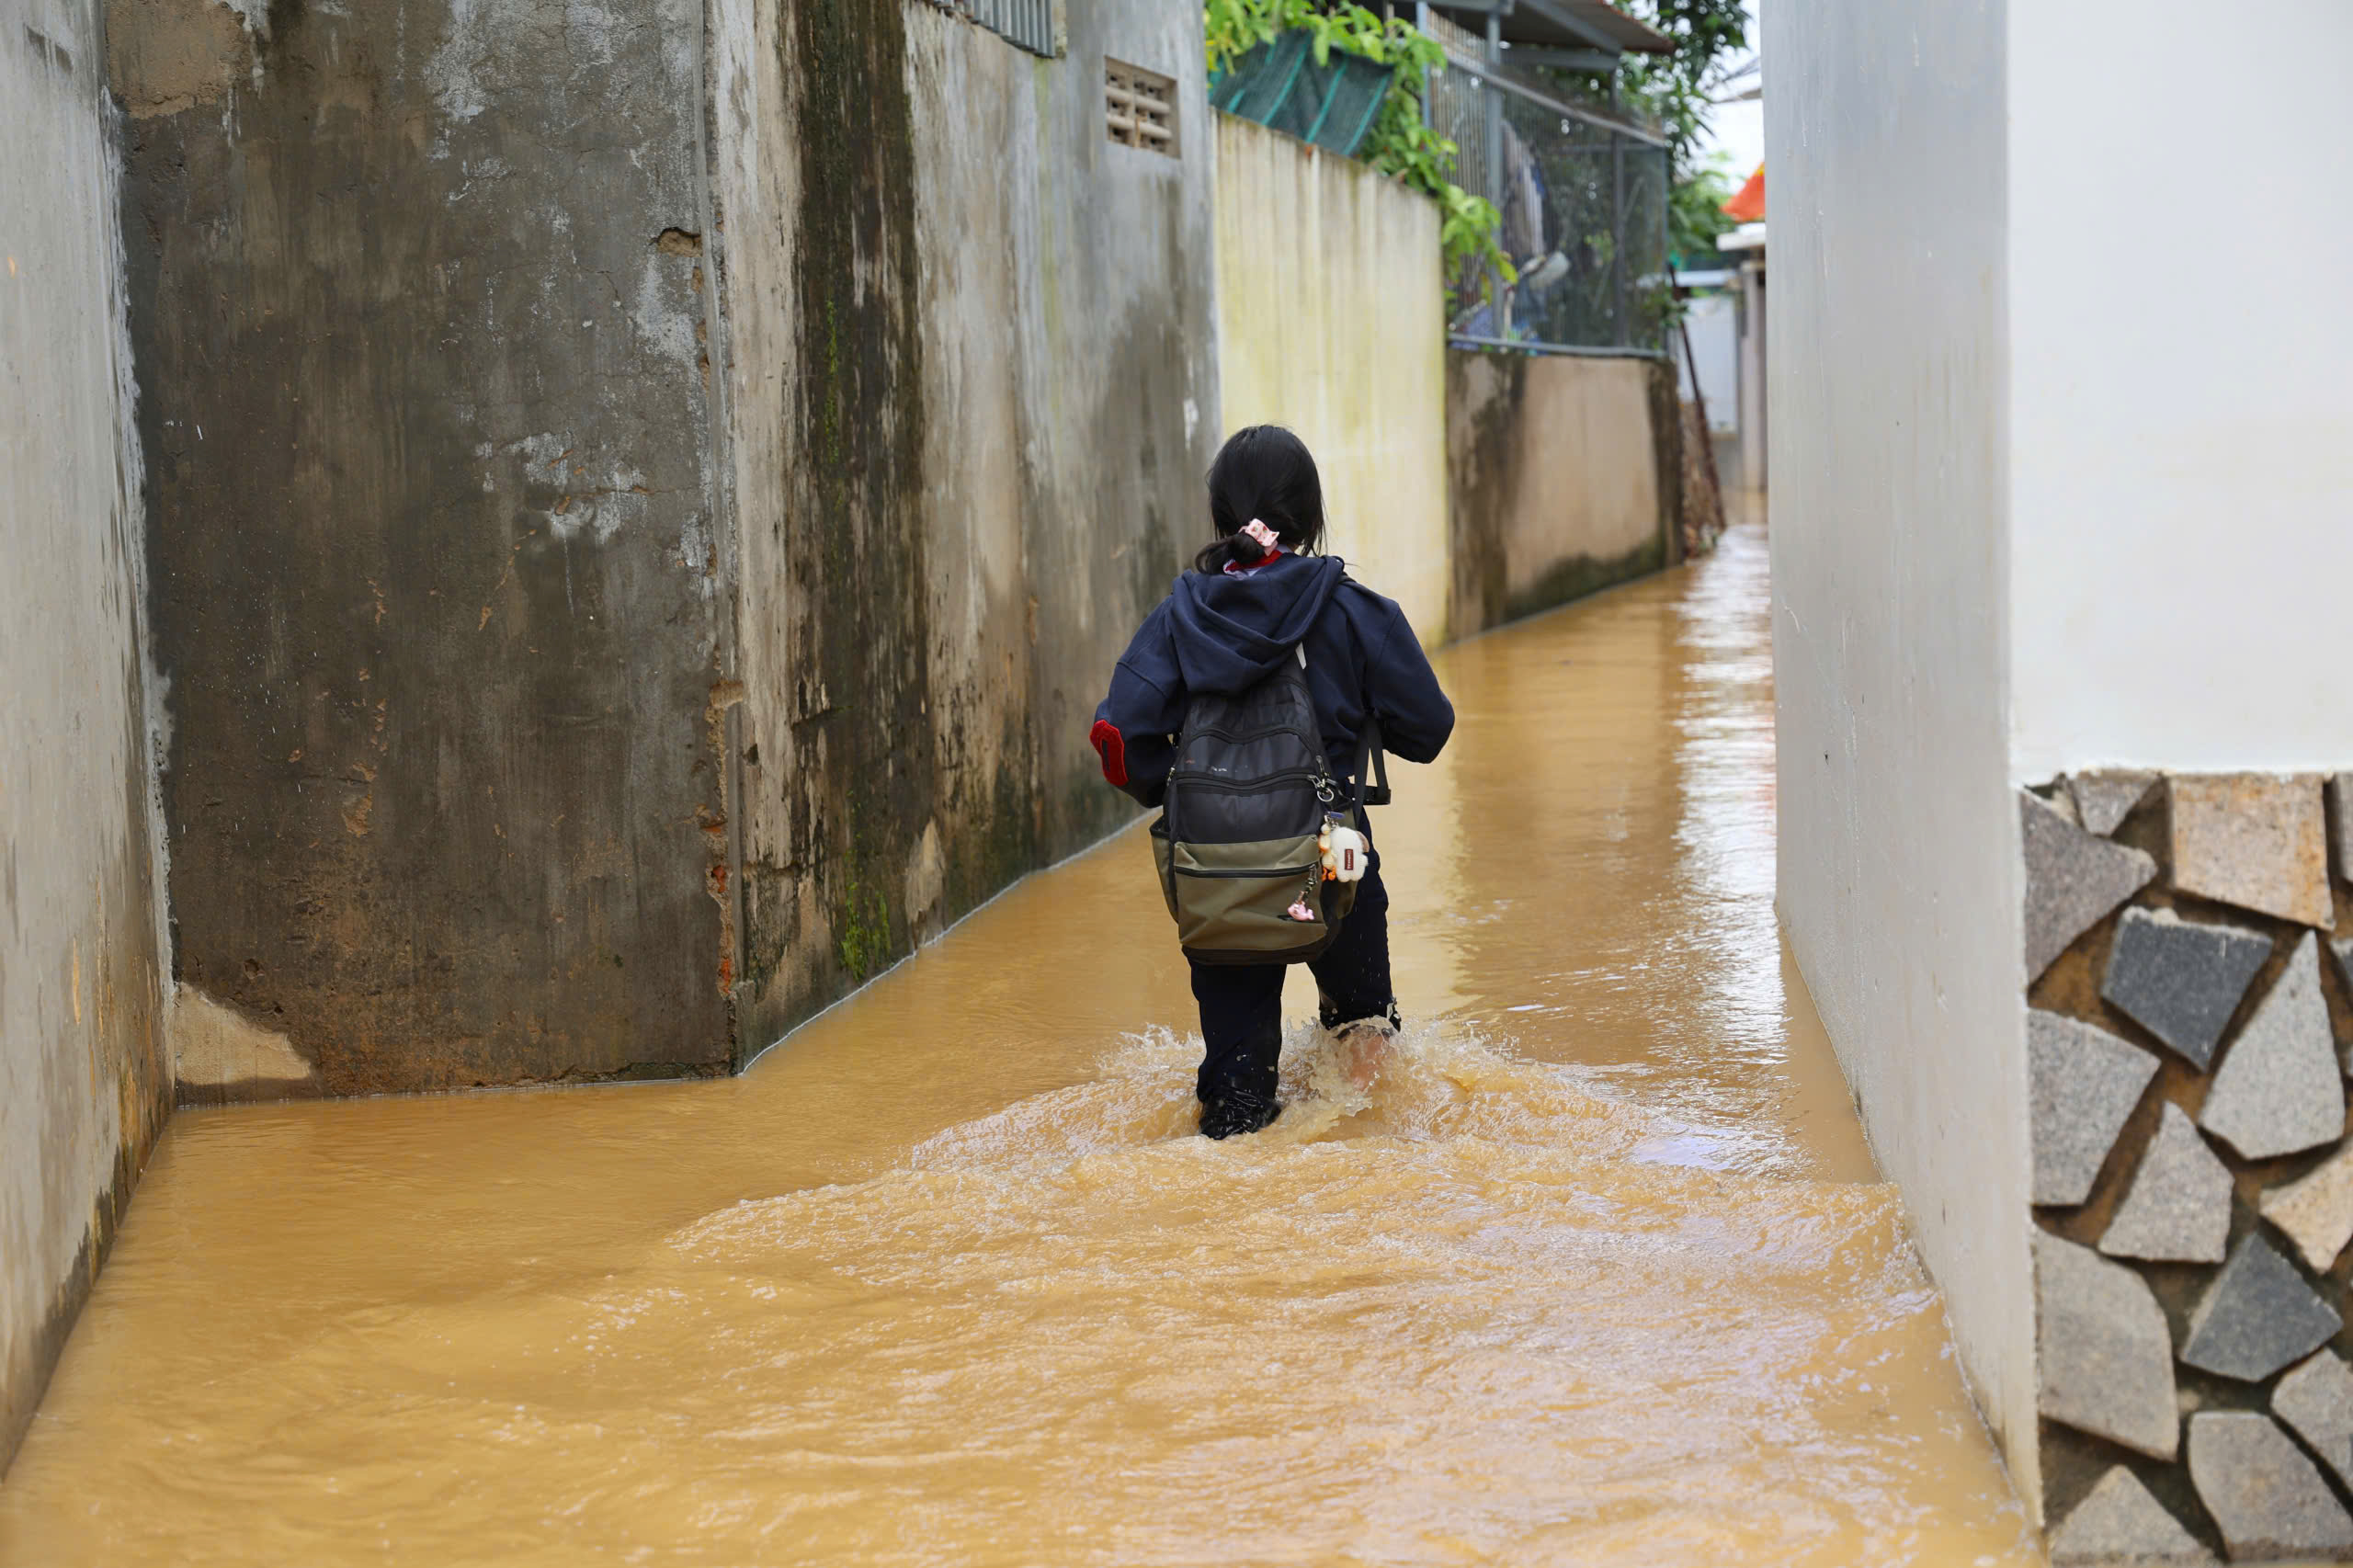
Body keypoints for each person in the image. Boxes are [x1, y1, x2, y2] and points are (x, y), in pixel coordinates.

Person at [1089, 426, 1455, 1139]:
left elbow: (1118, 743)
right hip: (1334, 867)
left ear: (1222, 518)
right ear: (1310, 517)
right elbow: (1430, 729)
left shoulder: (1177, 619)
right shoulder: (1353, 611)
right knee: (1363, 1054)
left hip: (1215, 878)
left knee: (1234, 1111)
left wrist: (1193, 790)